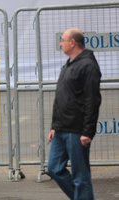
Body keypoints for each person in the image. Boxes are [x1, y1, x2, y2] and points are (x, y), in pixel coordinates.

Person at [47, 27, 101, 200]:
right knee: (54, 168)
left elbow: (92, 100)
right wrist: (54, 126)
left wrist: (88, 131)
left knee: (80, 176)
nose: (60, 43)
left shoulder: (88, 66)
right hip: (61, 129)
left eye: (62, 40)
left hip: (76, 131)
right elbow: (61, 99)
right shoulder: (68, 65)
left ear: (72, 43)